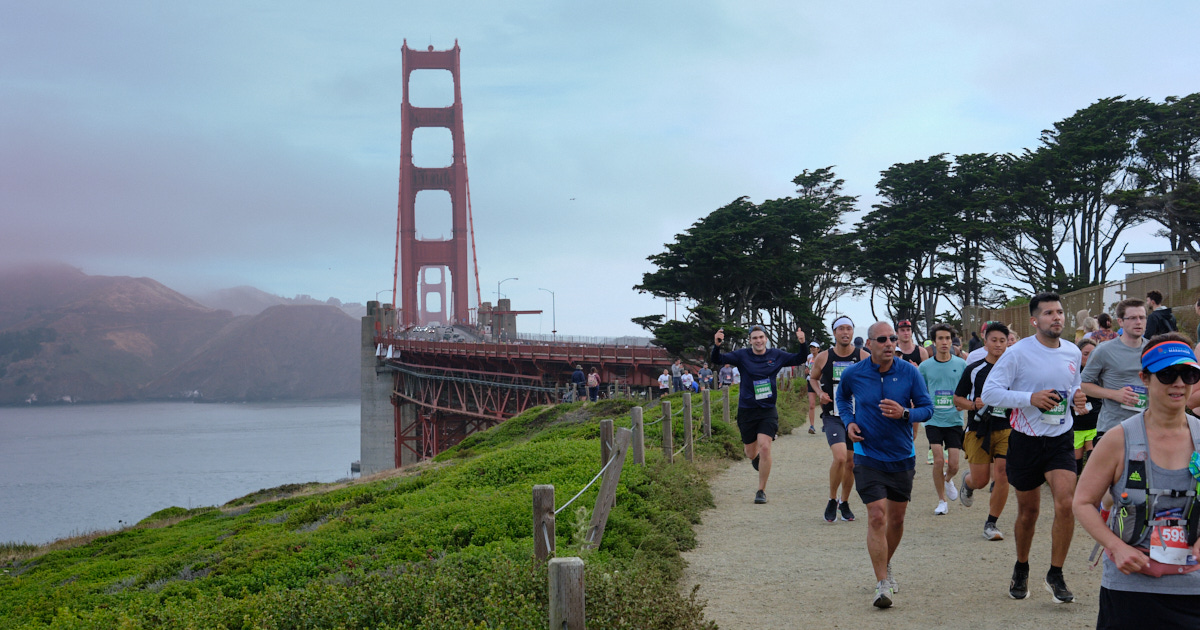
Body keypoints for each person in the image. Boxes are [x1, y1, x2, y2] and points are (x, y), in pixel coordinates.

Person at [1073, 333, 1200, 628]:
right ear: (1145, 378)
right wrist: (1115, 547)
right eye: (1167, 374)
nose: (1179, 383)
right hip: (1130, 590)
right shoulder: (1119, 439)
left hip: (1193, 590)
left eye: (1189, 374)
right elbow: (1082, 501)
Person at [981, 292, 1089, 603]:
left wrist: (1079, 398)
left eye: (1059, 312)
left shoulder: (1071, 351)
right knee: (1029, 512)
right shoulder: (1017, 353)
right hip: (1025, 440)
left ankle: (1056, 573)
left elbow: (1074, 387)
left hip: (1060, 439)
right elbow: (990, 393)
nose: (1056, 317)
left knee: (1066, 503)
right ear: (1034, 321)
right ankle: (1022, 566)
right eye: (1048, 313)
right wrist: (1030, 398)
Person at [838, 321, 934, 608]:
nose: (890, 343)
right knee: (877, 515)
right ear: (868, 344)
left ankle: (887, 563)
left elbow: (927, 408)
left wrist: (905, 413)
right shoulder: (854, 373)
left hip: (901, 456)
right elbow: (842, 399)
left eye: (893, 338)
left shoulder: (910, 372)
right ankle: (882, 585)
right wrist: (849, 422)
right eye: (882, 339)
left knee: (897, 519)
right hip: (867, 453)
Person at [710, 324, 807, 505]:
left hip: (767, 409)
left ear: (766, 339)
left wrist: (802, 342)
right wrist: (717, 345)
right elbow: (718, 359)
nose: (758, 341)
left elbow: (800, 358)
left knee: (765, 447)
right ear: (750, 340)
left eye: (761, 337)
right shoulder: (742, 355)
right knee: (750, 452)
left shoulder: (776, 355)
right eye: (755, 338)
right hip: (747, 409)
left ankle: (761, 490)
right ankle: (755, 459)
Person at [954, 322, 1013, 541]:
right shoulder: (974, 369)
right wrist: (974, 405)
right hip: (978, 429)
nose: (998, 345)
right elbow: (957, 399)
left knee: (1003, 473)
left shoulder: (1014, 370)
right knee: (981, 480)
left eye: (1002, 341)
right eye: (994, 340)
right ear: (985, 342)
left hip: (1006, 428)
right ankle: (968, 482)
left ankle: (991, 523)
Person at [810, 316, 869, 522]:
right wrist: (820, 393)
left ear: (853, 332)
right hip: (833, 415)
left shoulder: (862, 356)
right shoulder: (824, 357)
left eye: (849, 329)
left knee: (851, 463)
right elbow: (813, 378)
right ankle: (832, 499)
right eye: (841, 329)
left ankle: (844, 502)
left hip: (855, 417)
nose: (845, 332)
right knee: (841, 457)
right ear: (834, 333)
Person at [1082, 299, 1148, 442]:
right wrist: (1114, 394)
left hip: (1147, 427)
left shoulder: (1153, 349)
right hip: (1113, 428)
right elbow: (1083, 384)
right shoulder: (1104, 350)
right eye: (1132, 318)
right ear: (1121, 321)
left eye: (1142, 317)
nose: (1138, 322)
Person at [919, 323, 967, 515]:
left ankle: (948, 480)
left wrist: (964, 402)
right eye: (940, 338)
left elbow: (968, 390)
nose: (944, 342)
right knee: (938, 460)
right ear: (934, 342)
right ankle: (942, 501)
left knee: (954, 464)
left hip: (954, 419)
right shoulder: (925, 367)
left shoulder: (961, 364)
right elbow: (920, 391)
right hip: (933, 419)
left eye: (948, 338)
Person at [1074, 339, 1102, 473]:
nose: (1090, 357)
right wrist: (1074, 406)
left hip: (1095, 425)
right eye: (1086, 353)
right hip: (1076, 426)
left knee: (1093, 464)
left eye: (1093, 354)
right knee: (1075, 466)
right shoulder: (1070, 374)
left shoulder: (1102, 374)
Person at [805, 341, 821, 434]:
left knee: (823, 403)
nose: (812, 349)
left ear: (818, 349)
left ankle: (826, 423)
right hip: (810, 380)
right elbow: (807, 369)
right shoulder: (809, 358)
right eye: (811, 347)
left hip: (819, 382)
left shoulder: (821, 357)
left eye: (814, 347)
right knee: (811, 404)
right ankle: (812, 426)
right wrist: (807, 371)